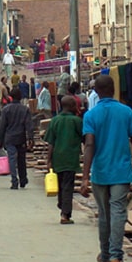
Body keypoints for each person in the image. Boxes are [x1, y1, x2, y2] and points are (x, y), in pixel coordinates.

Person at [82, 74, 132, 262]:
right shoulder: (126, 112)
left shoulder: (90, 115)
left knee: (104, 214)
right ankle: (116, 257)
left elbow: (89, 144)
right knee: (118, 211)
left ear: (96, 92)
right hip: (121, 171)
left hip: (100, 172)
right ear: (113, 89)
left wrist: (85, 176)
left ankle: (106, 254)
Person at [45, 95, 87, 223]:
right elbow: (85, 138)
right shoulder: (77, 121)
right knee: (68, 186)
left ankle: (62, 204)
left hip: (57, 158)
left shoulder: (55, 121)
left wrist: (48, 160)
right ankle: (65, 215)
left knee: (61, 185)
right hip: (70, 159)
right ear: (72, 106)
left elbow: (51, 142)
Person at [1, 87, 34, 190]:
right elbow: (29, 125)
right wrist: (31, 138)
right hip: (21, 138)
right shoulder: (25, 109)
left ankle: (14, 181)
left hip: (9, 138)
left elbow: (2, 126)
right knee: (21, 159)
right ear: (20, 97)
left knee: (11, 159)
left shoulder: (6, 109)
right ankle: (23, 179)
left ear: (10, 97)